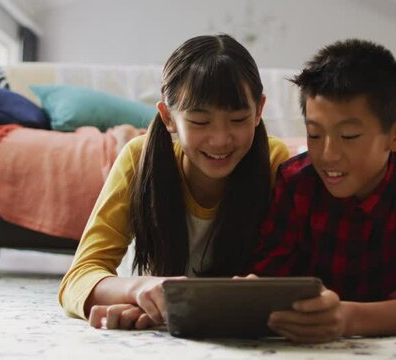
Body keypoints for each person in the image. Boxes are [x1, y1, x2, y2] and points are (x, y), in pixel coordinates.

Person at [59, 34, 289, 330]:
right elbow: (79, 277)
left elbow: (291, 273)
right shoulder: (138, 158)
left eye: (238, 119)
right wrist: (138, 291)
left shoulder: (274, 161)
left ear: (259, 110)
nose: (220, 139)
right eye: (200, 122)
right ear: (168, 117)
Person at [248, 39, 396, 343]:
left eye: (349, 136)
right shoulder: (296, 181)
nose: (328, 154)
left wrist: (348, 318)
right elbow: (270, 270)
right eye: (314, 134)